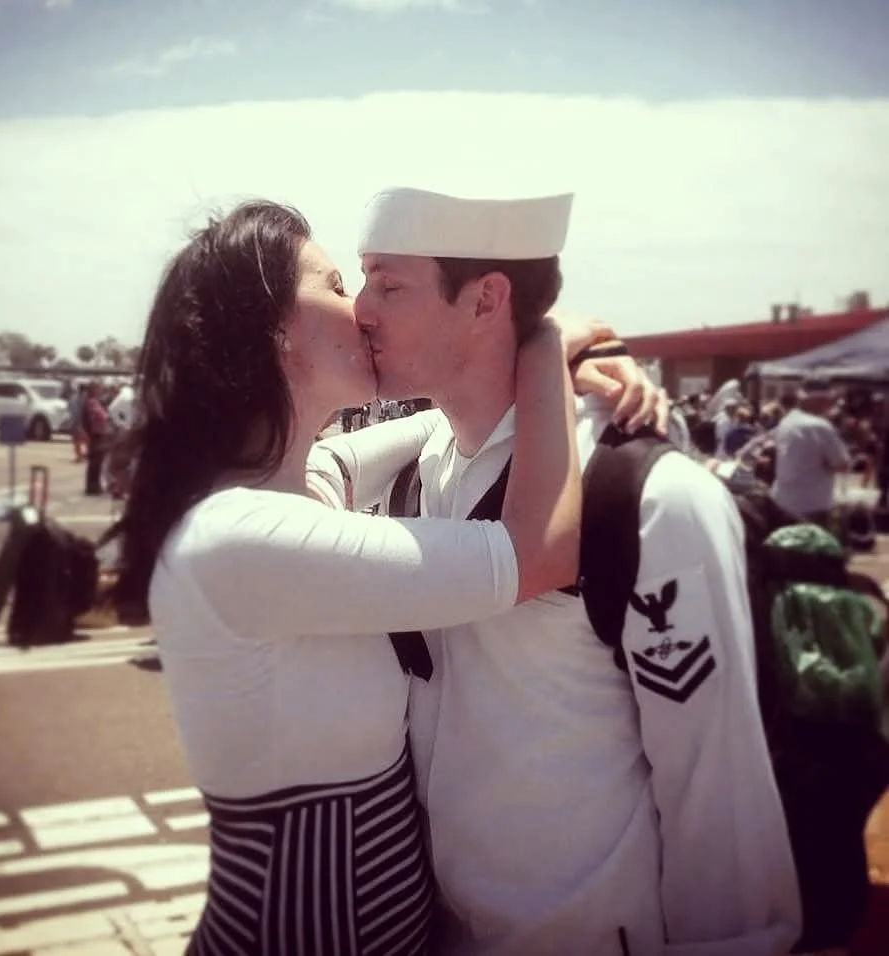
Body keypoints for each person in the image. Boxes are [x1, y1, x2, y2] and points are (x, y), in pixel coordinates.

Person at [108, 199, 655, 955]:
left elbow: (458, 406)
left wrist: (542, 360)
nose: (362, 310)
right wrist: (547, 342)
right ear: (273, 333)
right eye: (337, 285)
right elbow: (539, 555)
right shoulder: (239, 537)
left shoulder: (305, 486)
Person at [350, 186, 801, 955]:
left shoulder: (648, 498)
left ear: (487, 299)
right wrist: (554, 349)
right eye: (363, 279)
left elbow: (717, 799)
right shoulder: (410, 480)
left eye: (390, 285)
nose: (361, 308)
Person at [771, 377, 851, 524]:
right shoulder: (820, 426)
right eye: (827, 400)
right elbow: (842, 464)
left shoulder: (786, 421)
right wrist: (825, 465)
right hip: (812, 504)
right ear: (818, 400)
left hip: (782, 501)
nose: (829, 404)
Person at [81, 381, 110, 496]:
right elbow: (100, 417)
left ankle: (94, 485)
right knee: (95, 462)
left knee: (97, 462)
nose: (100, 390)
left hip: (97, 434)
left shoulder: (94, 402)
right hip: (96, 435)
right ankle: (92, 487)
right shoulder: (91, 403)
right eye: (98, 388)